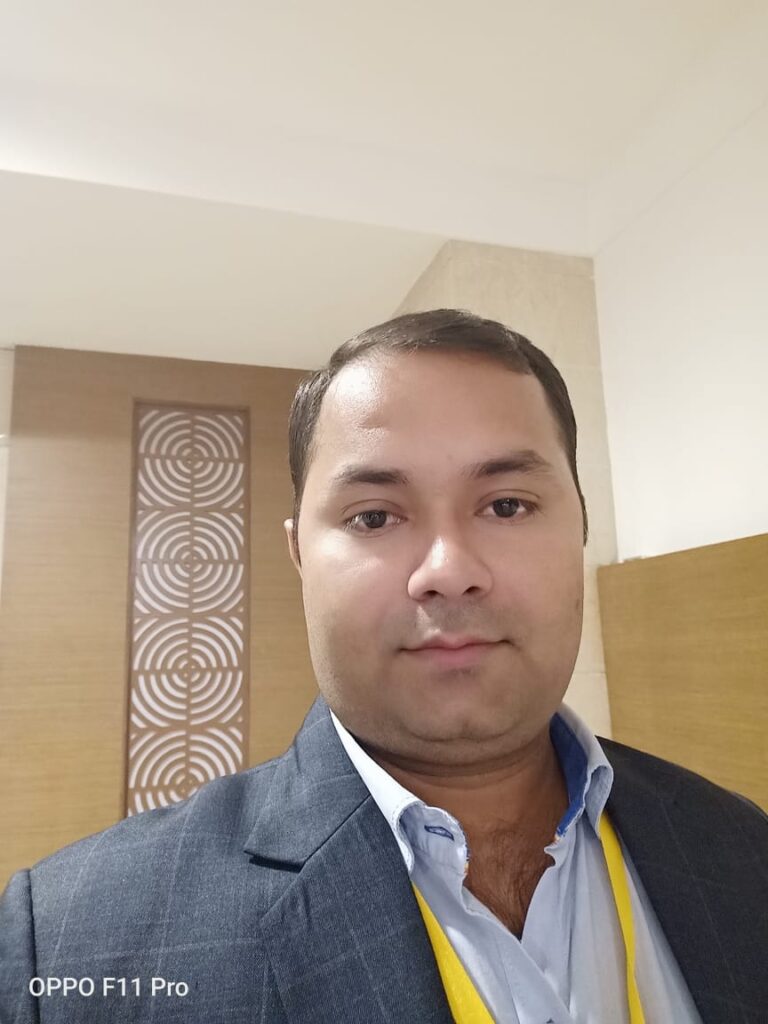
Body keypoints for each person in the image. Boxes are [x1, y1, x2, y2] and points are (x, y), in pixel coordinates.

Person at [1, 309, 765, 1024]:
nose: (449, 571)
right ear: (300, 555)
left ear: (582, 526)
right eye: (373, 517)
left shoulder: (744, 849)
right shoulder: (71, 942)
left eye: (507, 505)